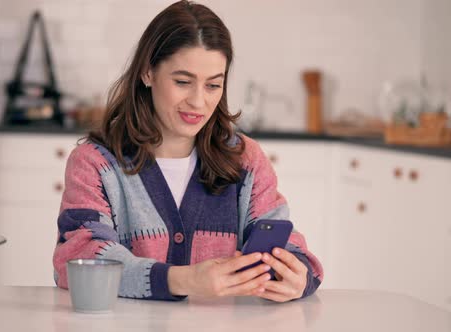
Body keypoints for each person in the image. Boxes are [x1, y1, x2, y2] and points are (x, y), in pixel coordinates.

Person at [53, 0, 323, 302]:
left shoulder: (246, 160)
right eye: (183, 82)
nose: (198, 102)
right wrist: (181, 280)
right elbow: (78, 259)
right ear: (147, 73)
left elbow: (290, 248)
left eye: (213, 86)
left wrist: (297, 275)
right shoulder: (96, 163)